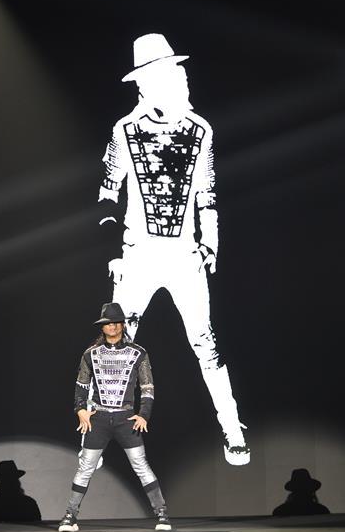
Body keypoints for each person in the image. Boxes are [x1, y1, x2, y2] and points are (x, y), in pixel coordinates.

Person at [97, 33, 249, 466]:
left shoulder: (201, 130)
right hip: (138, 254)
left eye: (177, 72)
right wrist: (114, 251)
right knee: (117, 346)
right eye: (167, 74)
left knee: (205, 342)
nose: (179, 80)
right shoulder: (124, 131)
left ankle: (232, 427)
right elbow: (107, 195)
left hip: (184, 255)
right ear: (145, 84)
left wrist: (209, 244)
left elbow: (208, 194)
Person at [58, 302, 170, 532]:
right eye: (107, 323)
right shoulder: (90, 354)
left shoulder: (138, 353)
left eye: (116, 323)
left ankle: (162, 514)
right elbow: (81, 386)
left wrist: (144, 415)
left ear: (122, 325)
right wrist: (80, 410)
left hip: (125, 418)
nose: (112, 326)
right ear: (102, 327)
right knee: (86, 467)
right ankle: (70, 516)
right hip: (98, 418)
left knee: (140, 464)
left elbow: (147, 387)